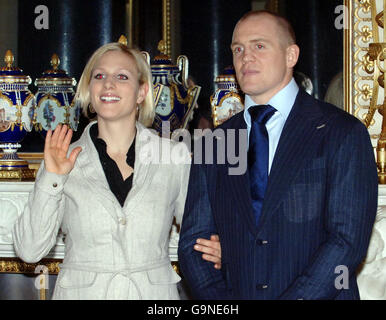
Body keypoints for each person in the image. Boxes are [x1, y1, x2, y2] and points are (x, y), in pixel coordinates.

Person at [178, 10, 378, 300]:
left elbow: (346, 241)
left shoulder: (341, 132)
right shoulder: (215, 143)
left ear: (291, 55)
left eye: (259, 46)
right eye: (238, 49)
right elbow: (193, 246)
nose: (246, 57)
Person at [12, 42, 219, 300]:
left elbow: (199, 236)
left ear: (142, 91)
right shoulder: (61, 156)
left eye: (122, 76)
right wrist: (53, 178)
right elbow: (29, 251)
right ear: (89, 88)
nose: (108, 84)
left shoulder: (173, 156)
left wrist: (222, 246)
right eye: (99, 76)